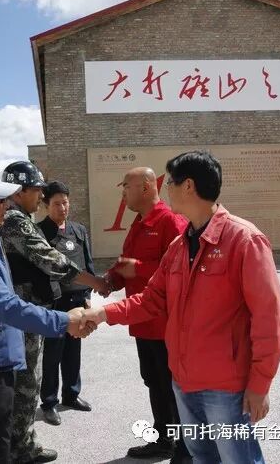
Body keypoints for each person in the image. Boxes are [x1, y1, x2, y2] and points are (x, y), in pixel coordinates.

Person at [82, 151, 280, 464]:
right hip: (184, 382)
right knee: (201, 458)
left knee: (238, 459)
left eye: (170, 183)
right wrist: (101, 314)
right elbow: (151, 300)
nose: (166, 190)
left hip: (226, 388)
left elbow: (269, 319)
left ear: (188, 186)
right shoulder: (178, 247)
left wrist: (260, 385)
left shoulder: (244, 240)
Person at [0, 170, 92, 464]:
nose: (6, 204)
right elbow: (6, 306)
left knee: (0, 442)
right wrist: (64, 321)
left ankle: (23, 449)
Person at [0, 161, 109, 464]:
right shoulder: (14, 220)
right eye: (37, 191)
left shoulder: (18, 217)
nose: (40, 197)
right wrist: (96, 282)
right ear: (19, 191)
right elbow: (50, 259)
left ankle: (22, 442)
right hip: (23, 314)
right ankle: (20, 448)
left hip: (28, 310)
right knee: (26, 382)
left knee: (28, 377)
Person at [104, 167, 189, 461]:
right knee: (154, 380)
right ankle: (164, 440)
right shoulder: (139, 223)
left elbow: (181, 268)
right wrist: (111, 279)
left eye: (126, 186)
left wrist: (136, 269)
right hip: (143, 321)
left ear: (146, 187)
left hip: (166, 323)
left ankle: (186, 447)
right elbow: (126, 263)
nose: (123, 193)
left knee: (172, 385)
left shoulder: (170, 221)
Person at [38, 181, 95, 426]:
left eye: (65, 202)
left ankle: (71, 394)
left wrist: (88, 295)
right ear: (46, 205)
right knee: (52, 353)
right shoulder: (39, 232)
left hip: (77, 300)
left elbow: (87, 264)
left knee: (74, 350)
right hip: (55, 302)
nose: (62, 208)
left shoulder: (78, 230)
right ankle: (49, 402)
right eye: (57, 204)